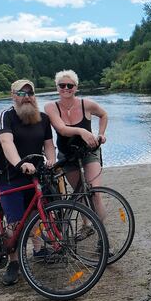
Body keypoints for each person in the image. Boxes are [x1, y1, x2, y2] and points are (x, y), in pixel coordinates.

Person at [0, 79, 56, 286]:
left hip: (34, 173)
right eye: (21, 93)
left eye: (30, 93)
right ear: (13, 95)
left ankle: (38, 250)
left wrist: (51, 161)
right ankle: (14, 261)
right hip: (10, 175)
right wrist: (20, 163)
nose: (26, 96)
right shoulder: (5, 116)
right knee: (15, 221)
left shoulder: (43, 119)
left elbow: (49, 145)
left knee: (35, 215)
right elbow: (6, 142)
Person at [44, 70, 108, 231]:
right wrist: (82, 131)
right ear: (57, 87)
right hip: (67, 155)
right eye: (62, 85)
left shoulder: (86, 104)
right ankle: (86, 225)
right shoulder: (50, 107)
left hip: (89, 151)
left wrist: (101, 134)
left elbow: (104, 115)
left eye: (70, 85)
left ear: (76, 87)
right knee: (78, 194)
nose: (66, 88)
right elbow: (61, 129)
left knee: (94, 192)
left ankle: (102, 232)